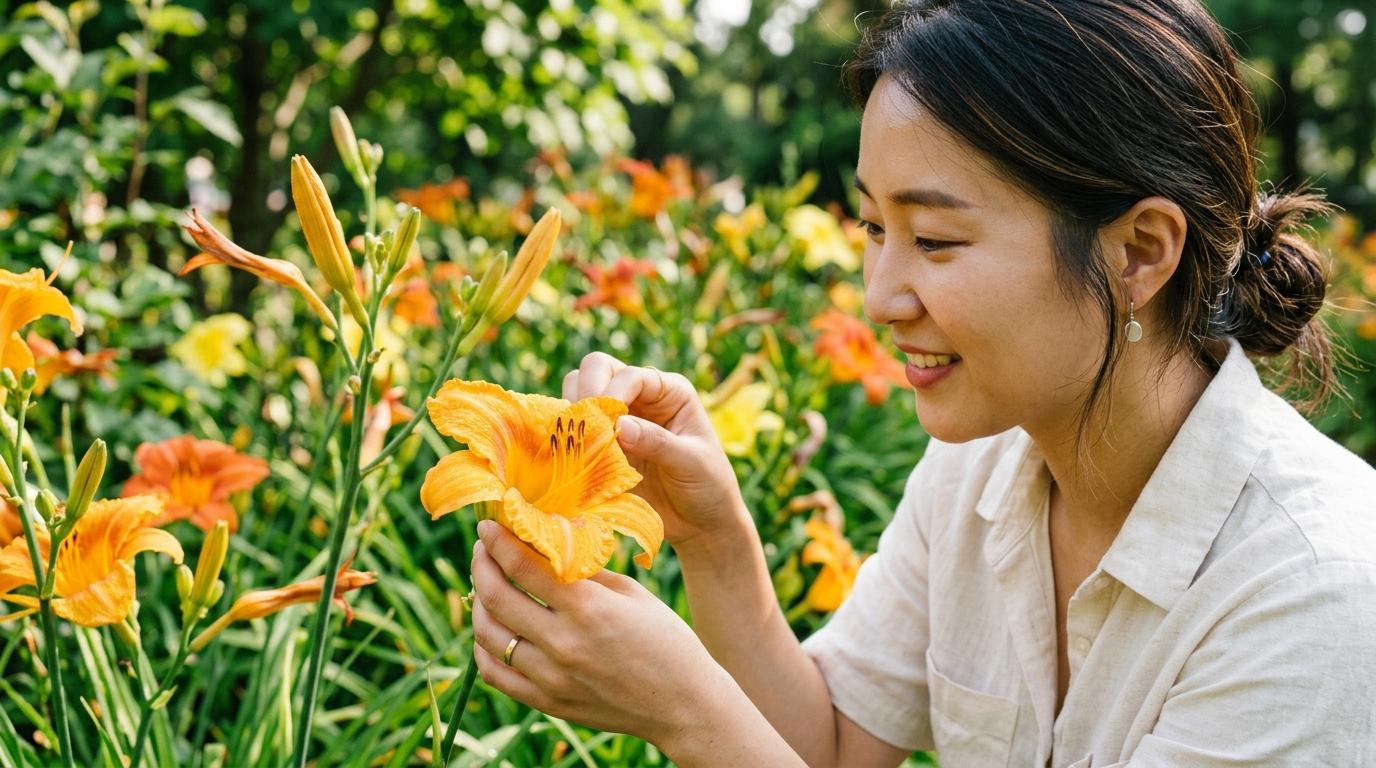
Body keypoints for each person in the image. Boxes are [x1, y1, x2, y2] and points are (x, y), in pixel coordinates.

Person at [466, 1, 1376, 765]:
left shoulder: (1320, 594)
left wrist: (686, 714)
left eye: (934, 240)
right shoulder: (979, 471)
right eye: (871, 228)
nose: (880, 297)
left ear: (1139, 252)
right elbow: (828, 745)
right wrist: (714, 539)